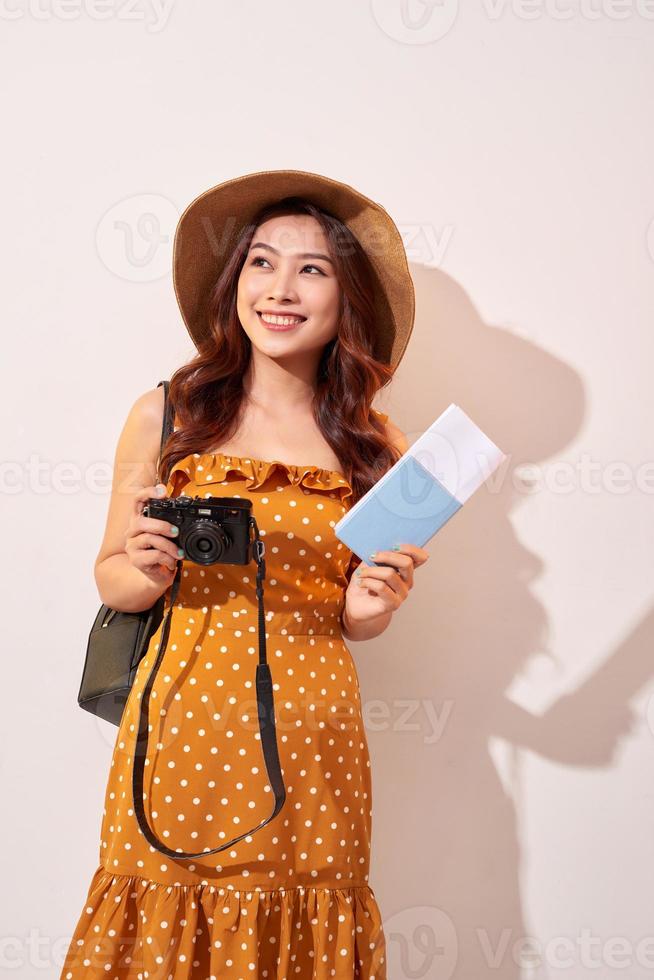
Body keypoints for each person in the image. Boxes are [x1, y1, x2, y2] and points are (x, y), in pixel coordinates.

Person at [60, 169, 429, 979]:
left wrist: (375, 601)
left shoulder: (380, 444)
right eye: (261, 263)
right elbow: (111, 581)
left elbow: (358, 622)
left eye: (312, 269)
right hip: (179, 723)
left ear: (347, 296)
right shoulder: (169, 413)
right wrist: (148, 567)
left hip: (314, 736)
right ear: (235, 282)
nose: (280, 289)